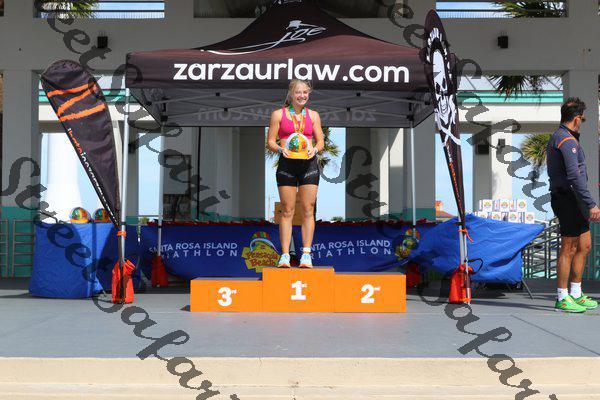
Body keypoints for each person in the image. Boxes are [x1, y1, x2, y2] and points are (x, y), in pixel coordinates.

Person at [547, 97, 600, 312]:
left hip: (574, 199)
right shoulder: (566, 140)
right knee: (568, 248)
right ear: (577, 119)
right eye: (582, 119)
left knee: (585, 245)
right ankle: (562, 297)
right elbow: (574, 177)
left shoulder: (567, 138)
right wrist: (591, 204)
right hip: (567, 198)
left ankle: (576, 294)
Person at [266, 80, 325, 268]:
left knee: (308, 209)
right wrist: (279, 149)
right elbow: (270, 141)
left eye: (305, 92)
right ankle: (285, 255)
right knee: (287, 210)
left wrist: (315, 149)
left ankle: (306, 255)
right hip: (287, 164)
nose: (302, 96)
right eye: (298, 92)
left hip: (308, 165)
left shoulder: (313, 115)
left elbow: (320, 141)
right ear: (291, 94)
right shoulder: (278, 114)